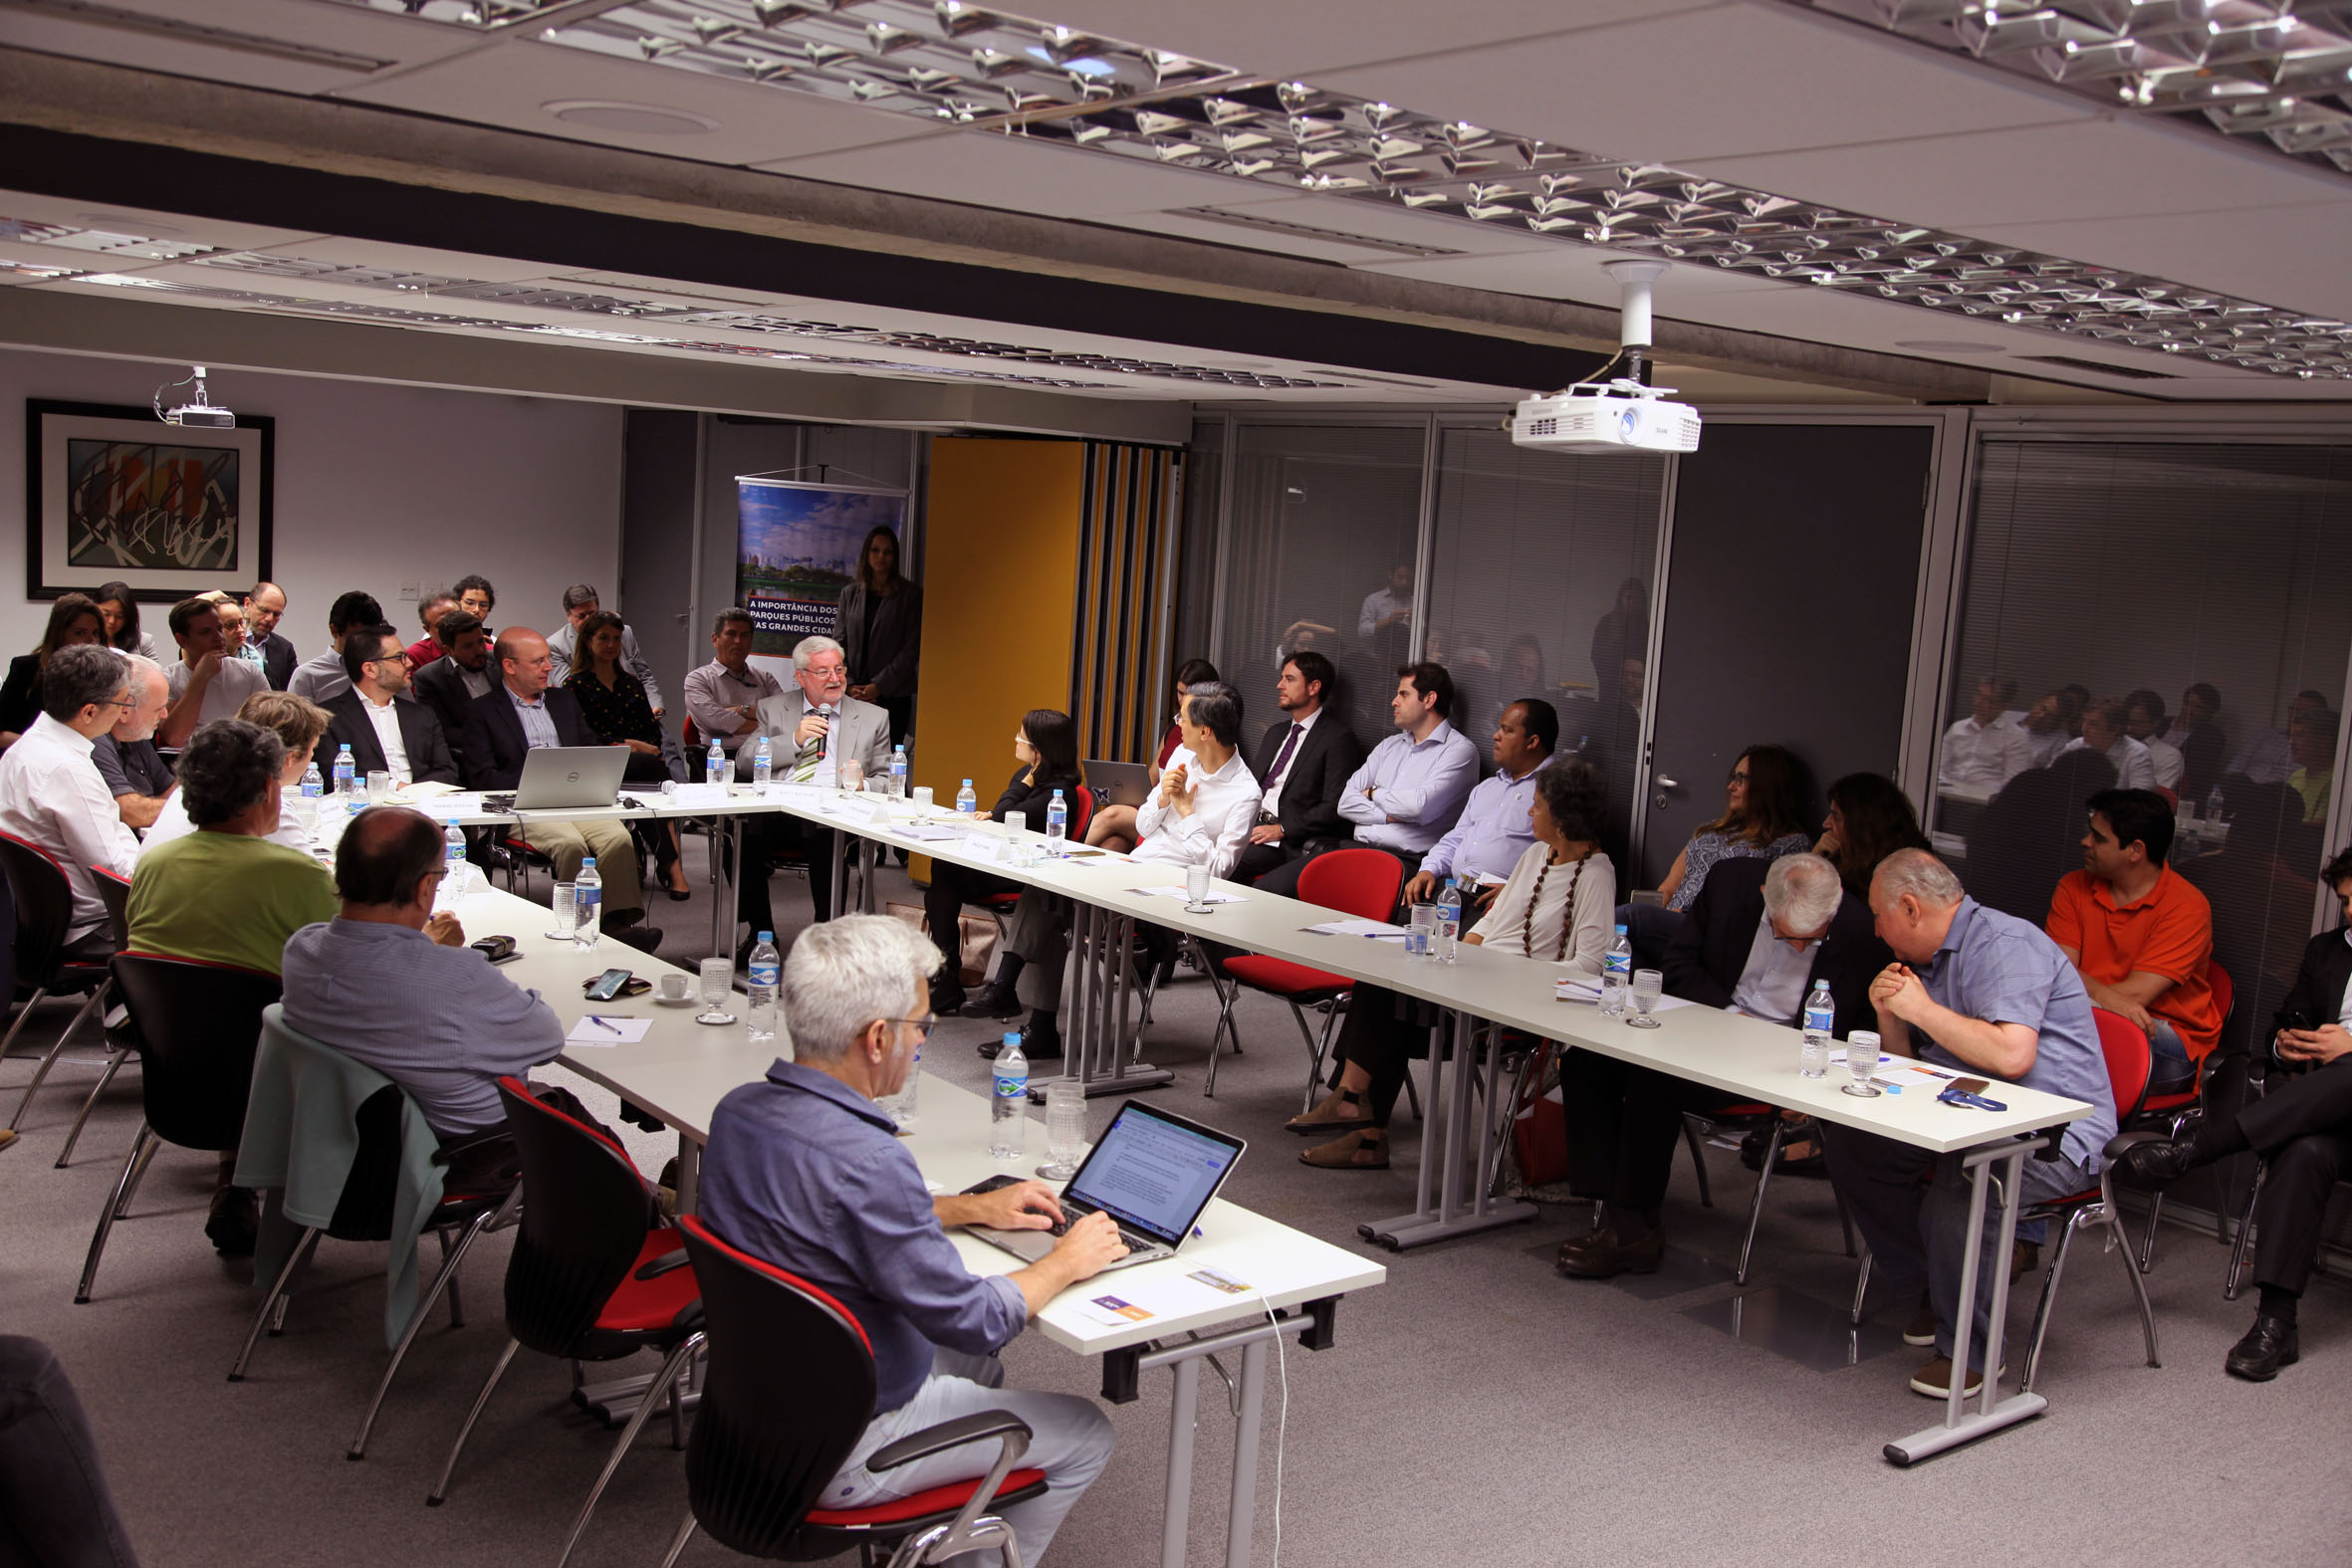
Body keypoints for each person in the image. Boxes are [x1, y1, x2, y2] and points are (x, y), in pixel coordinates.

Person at [698, 916, 1120, 1564]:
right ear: (876, 1038)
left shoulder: (738, 1113)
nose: (923, 1039)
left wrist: (969, 1207)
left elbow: (827, 1210)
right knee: (1086, 1431)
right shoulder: (872, 1160)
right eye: (921, 1025)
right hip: (844, 1445)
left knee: (977, 1373)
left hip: (749, 1417)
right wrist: (1066, 1261)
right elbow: (974, 1319)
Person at [1823, 849, 2115, 1400]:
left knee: (1967, 1184)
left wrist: (1921, 1009)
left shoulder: (2006, 945)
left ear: (1911, 908)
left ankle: (1971, 1354)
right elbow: (1916, 1068)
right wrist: (1892, 1017)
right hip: (1961, 1114)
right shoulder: (1932, 962)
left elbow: (2011, 1056)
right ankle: (1933, 1292)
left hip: (2056, 1134)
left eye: (1881, 919)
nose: (1878, 934)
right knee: (1856, 1150)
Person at [1556, 853, 1882, 1276]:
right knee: (1586, 1060)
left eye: (1813, 939)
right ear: (1765, 897)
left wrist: (1811, 1088)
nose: (1801, 948)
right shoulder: (1730, 884)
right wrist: (1731, 1017)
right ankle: (1611, 1200)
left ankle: (1631, 1229)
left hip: (1779, 1067)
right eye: (1788, 937)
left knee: (1655, 1078)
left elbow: (1857, 1032)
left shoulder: (1857, 929)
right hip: (1707, 1030)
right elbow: (1678, 965)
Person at [1291, 759, 1614, 1171]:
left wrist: (1503, 972)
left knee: (1391, 1003)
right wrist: (1463, 954)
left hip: (1516, 1001)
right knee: (1385, 982)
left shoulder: (1596, 875)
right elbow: (1494, 921)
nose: (1530, 812)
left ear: (1563, 820)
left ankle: (1358, 1117)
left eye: (1537, 805)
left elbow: (1588, 966)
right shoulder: (1537, 855)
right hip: (1476, 978)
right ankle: (1358, 1117)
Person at [281, 806, 616, 1196]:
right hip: (464, 1153)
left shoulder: (302, 950)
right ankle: (651, 1206)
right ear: (425, 887)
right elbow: (547, 1039)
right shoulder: (455, 976)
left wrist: (425, 949)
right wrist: (437, 954)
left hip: (347, 1153)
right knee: (567, 1115)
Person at [2116, 843, 2352, 1380]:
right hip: (2328, 1117)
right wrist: (2285, 1045)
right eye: (2345, 901)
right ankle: (2276, 1323)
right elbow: (2282, 1023)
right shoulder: (2327, 951)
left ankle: (2197, 1149)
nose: (2351, 912)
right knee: (2304, 1151)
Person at [127, 718, 340, 1257]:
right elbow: (352, 976)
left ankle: (236, 1180)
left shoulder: (152, 864)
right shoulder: (296, 874)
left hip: (176, 1074)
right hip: (277, 1084)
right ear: (269, 789)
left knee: (237, 1013)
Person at [997, 684, 1259, 1061]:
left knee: (1057, 905)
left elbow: (1218, 871)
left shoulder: (1244, 793)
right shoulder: (1183, 756)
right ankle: (1019, 1003)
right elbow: (1146, 826)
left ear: (1205, 731)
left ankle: (1023, 1008)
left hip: (1176, 892)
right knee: (1051, 886)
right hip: (1136, 869)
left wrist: (1187, 813)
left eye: (1182, 718)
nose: (1177, 724)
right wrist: (1164, 799)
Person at [457, 628, 649, 935]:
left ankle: (618, 926)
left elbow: (589, 748)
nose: (548, 667)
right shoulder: (481, 711)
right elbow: (482, 776)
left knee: (618, 839)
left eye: (547, 659)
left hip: (577, 800)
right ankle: (574, 927)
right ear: (509, 666)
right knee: (570, 845)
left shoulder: (563, 701)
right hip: (523, 807)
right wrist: (537, 781)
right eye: (538, 661)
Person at [2045, 787, 2220, 1097]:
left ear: (2135, 851)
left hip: (2162, 1035)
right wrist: (2102, 997)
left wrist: (2076, 994)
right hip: (2087, 1019)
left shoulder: (2187, 906)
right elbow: (2058, 973)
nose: (2086, 842)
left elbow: (2136, 996)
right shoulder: (2073, 886)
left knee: (2043, 1041)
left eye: (2099, 838)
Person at [733, 634, 891, 943]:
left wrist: (864, 783)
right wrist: (793, 740)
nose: (835, 678)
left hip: (834, 814)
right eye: (823, 671)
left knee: (827, 837)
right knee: (740, 835)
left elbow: (889, 781)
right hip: (781, 809)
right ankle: (761, 934)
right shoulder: (773, 708)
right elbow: (745, 761)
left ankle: (824, 937)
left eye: (839, 670)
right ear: (801, 677)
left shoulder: (874, 717)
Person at [926, 710, 1082, 1016]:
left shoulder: (1058, 794)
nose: (1015, 740)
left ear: (1039, 750)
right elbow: (1004, 813)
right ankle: (947, 975)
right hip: (1006, 862)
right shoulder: (1029, 775)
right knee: (943, 868)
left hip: (1029, 875)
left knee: (946, 876)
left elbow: (1002, 816)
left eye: (1021, 736)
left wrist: (1019, 790)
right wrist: (1016, 794)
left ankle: (951, 980)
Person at [0, 645, 141, 960]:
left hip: (40, 922)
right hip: (94, 924)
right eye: (123, 702)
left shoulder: (23, 748)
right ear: (89, 712)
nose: (125, 711)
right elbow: (114, 873)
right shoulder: (68, 768)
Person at [1626, 744, 1812, 963]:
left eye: (1741, 779)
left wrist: (1679, 915)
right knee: (1625, 947)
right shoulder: (1711, 831)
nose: (1731, 786)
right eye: (1734, 777)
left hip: (1710, 934)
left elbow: (1766, 910)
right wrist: (1657, 915)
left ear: (1767, 785)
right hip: (1671, 924)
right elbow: (1667, 888)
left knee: (1630, 917)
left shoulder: (1789, 844)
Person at [563, 609, 687, 899]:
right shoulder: (574, 685)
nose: (611, 645)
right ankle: (672, 866)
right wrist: (631, 745)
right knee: (652, 771)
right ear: (588, 641)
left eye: (616, 639)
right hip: (599, 763)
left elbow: (651, 730)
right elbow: (583, 737)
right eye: (603, 638)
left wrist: (643, 747)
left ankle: (661, 860)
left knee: (651, 773)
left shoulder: (631, 683)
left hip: (641, 764)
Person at [1403, 697, 1557, 911]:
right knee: (1404, 918)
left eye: (1507, 730)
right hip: (1455, 888)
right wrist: (1428, 870)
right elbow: (1455, 839)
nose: (1496, 736)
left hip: (1504, 902)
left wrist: (1520, 890)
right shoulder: (1487, 788)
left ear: (1532, 742)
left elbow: (1564, 862)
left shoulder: (1554, 791)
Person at [1232, 650, 1365, 893]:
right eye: (1282, 678)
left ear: (1314, 687)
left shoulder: (1337, 738)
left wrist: (1282, 829)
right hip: (1248, 826)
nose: (1280, 685)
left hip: (1285, 842)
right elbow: (1251, 785)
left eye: (1289, 679)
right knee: (1190, 851)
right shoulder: (1275, 733)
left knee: (1223, 863)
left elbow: (1334, 806)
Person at [144, 691, 335, 859]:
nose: (312, 756)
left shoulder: (194, 789)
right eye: (313, 749)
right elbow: (312, 877)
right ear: (290, 758)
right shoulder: (263, 806)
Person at [1331, 662, 1479, 875]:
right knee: (1290, 886)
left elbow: (1419, 807)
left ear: (1429, 699)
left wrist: (1373, 793)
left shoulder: (1459, 751)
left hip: (1404, 863)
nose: (1394, 701)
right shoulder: (1389, 745)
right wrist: (1389, 816)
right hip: (1355, 849)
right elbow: (1345, 803)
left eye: (1404, 694)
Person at [1085, 658, 1219, 853]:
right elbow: (1154, 773)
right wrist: (1130, 793)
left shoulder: (1208, 739)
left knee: (1111, 815)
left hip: (1174, 814)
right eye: (1180, 693)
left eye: (1189, 695)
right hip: (1154, 805)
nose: (1183, 701)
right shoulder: (1174, 726)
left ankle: (1062, 857)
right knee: (1113, 845)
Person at [321, 624, 459, 787]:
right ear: (370, 669)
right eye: (399, 658)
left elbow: (447, 771)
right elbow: (329, 774)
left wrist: (412, 791)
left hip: (421, 799)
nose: (409, 663)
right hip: (365, 801)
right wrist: (394, 787)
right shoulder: (328, 716)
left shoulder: (422, 714)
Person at [834, 526, 923, 747]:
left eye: (888, 551)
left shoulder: (910, 596)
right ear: (867, 553)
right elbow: (838, 644)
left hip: (892, 697)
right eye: (875, 550)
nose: (881, 556)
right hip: (853, 694)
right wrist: (849, 684)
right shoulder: (850, 593)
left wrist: (878, 686)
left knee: (887, 760)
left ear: (895, 557)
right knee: (849, 757)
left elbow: (911, 650)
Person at [157, 596, 270, 749]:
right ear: (181, 640)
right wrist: (200, 678)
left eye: (219, 628)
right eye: (205, 632)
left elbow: (270, 727)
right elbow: (175, 738)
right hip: (190, 759)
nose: (219, 637)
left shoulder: (249, 672)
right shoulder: (167, 678)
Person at [0, 594, 107, 751]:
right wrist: (43, 746)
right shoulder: (26, 669)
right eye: (80, 633)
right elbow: (2, 734)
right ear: (59, 634)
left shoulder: (103, 675)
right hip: (33, 755)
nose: (91, 641)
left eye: (95, 633)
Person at [681, 608, 784, 769]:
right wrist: (766, 725)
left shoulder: (765, 679)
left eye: (744, 635)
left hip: (764, 758)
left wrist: (741, 710)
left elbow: (783, 717)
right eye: (731, 634)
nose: (737, 641)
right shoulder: (697, 679)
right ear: (715, 639)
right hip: (722, 759)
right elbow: (717, 722)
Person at [546, 584, 666, 715]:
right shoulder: (555, 645)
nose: (588, 620)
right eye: (581, 616)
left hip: (635, 709)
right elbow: (572, 693)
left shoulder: (623, 633)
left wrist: (655, 705)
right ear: (569, 616)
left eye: (592, 613)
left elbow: (644, 674)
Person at [1813, 772, 1931, 901]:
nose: (1826, 824)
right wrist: (1815, 858)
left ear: (1862, 827)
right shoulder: (1834, 860)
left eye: (1836, 817)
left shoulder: (1900, 879)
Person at [92, 655, 174, 832]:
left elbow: (169, 791)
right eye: (158, 708)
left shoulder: (136, 733)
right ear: (125, 709)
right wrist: (197, 809)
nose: (165, 715)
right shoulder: (95, 739)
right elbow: (128, 811)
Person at [410, 608, 495, 778]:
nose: (479, 650)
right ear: (449, 650)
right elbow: (442, 730)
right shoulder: (430, 678)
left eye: (480, 642)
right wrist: (492, 735)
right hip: (468, 756)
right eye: (468, 646)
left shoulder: (498, 661)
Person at [286, 591, 385, 706]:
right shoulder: (308, 676)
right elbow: (295, 717)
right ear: (334, 630)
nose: (365, 644)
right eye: (358, 637)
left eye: (372, 636)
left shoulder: (386, 671)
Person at [1939, 676, 2031, 790]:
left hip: (1984, 799)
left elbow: (2013, 785)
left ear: (2004, 706)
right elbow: (1938, 767)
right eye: (1978, 694)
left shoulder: (2017, 737)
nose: (1978, 703)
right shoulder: (1957, 728)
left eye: (1988, 700)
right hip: (1946, 794)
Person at [2059, 696, 2157, 791]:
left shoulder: (2138, 753)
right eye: (2084, 720)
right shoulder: (2077, 745)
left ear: (2115, 729)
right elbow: (2053, 780)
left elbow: (2141, 797)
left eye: (2093, 724)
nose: (2084, 728)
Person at [2232, 690, 2329, 784]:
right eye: (2294, 710)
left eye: (2304, 712)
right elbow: (2237, 765)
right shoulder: (2264, 735)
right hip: (2242, 789)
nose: (2295, 716)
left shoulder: (2315, 747)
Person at [2164, 682, 2228, 803]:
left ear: (2210, 713)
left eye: (2198, 707)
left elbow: (2193, 774)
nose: (2189, 710)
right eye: (2187, 703)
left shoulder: (2213, 737)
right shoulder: (2161, 723)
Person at [1589, 576, 1649, 689]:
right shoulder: (1606, 623)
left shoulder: (1646, 628)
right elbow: (1596, 655)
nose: (1632, 602)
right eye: (1628, 597)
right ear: (1621, 598)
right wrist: (1608, 677)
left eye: (1637, 599)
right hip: (1609, 683)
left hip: (1634, 688)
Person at [2124, 690, 2185, 793]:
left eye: (2137, 723)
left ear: (2156, 722)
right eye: (2127, 721)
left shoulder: (2169, 756)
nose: (2129, 727)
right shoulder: (2112, 744)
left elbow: (2152, 796)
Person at [2286, 708, 2335, 826]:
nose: (2291, 742)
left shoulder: (2335, 781)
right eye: (2292, 736)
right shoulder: (2296, 775)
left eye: (2300, 735)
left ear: (2324, 741)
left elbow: (2315, 831)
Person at [242, 581, 296, 690]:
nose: (269, 619)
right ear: (248, 604)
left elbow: (291, 692)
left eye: (276, 614)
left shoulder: (284, 649)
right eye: (264, 610)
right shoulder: (226, 640)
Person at [1358, 562, 1414, 666]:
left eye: (1409, 579)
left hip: (1407, 658)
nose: (1404, 582)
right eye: (1400, 577)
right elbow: (1363, 631)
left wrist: (1415, 623)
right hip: (1377, 659)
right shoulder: (1374, 600)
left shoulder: (1415, 603)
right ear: (1391, 575)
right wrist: (1389, 620)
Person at [93, 581, 159, 663]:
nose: (112, 621)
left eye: (120, 616)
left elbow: (155, 670)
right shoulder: (85, 639)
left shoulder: (143, 641)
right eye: (106, 614)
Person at [2017, 690, 2074, 770]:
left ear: (2058, 722)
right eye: (2043, 708)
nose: (2041, 716)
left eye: (2050, 716)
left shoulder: (2061, 741)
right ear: (2037, 703)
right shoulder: (2009, 718)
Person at [405, 590, 456, 668]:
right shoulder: (415, 656)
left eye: (457, 620)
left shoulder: (476, 648)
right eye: (443, 625)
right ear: (427, 629)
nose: (453, 628)